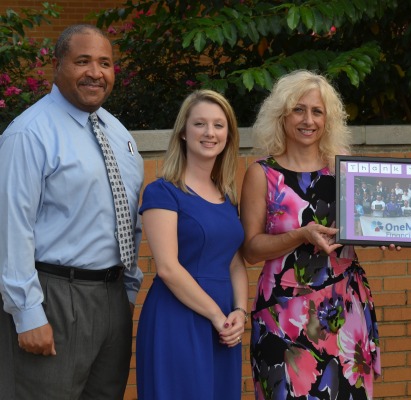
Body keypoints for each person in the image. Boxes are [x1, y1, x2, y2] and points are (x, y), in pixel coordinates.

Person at [0, 24, 144, 399]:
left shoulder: (121, 136)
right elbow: (11, 228)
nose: (95, 72)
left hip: (112, 298)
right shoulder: (29, 133)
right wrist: (27, 313)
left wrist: (126, 293)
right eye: (83, 61)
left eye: (105, 63)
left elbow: (130, 219)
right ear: (57, 65)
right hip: (54, 297)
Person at [240, 70, 393, 400]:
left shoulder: (345, 170)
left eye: (317, 111)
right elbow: (251, 250)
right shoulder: (262, 174)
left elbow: (369, 226)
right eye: (298, 109)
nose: (307, 120)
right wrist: (300, 235)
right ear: (281, 114)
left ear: (328, 119)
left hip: (343, 311)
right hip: (282, 315)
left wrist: (385, 232)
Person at [136, 90, 248, 399]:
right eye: (200, 124)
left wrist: (239, 311)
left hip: (224, 324)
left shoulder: (227, 196)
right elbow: (169, 268)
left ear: (229, 134)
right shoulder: (162, 192)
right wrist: (216, 315)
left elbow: (235, 261)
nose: (210, 133)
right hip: (178, 318)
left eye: (218, 125)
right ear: (183, 132)